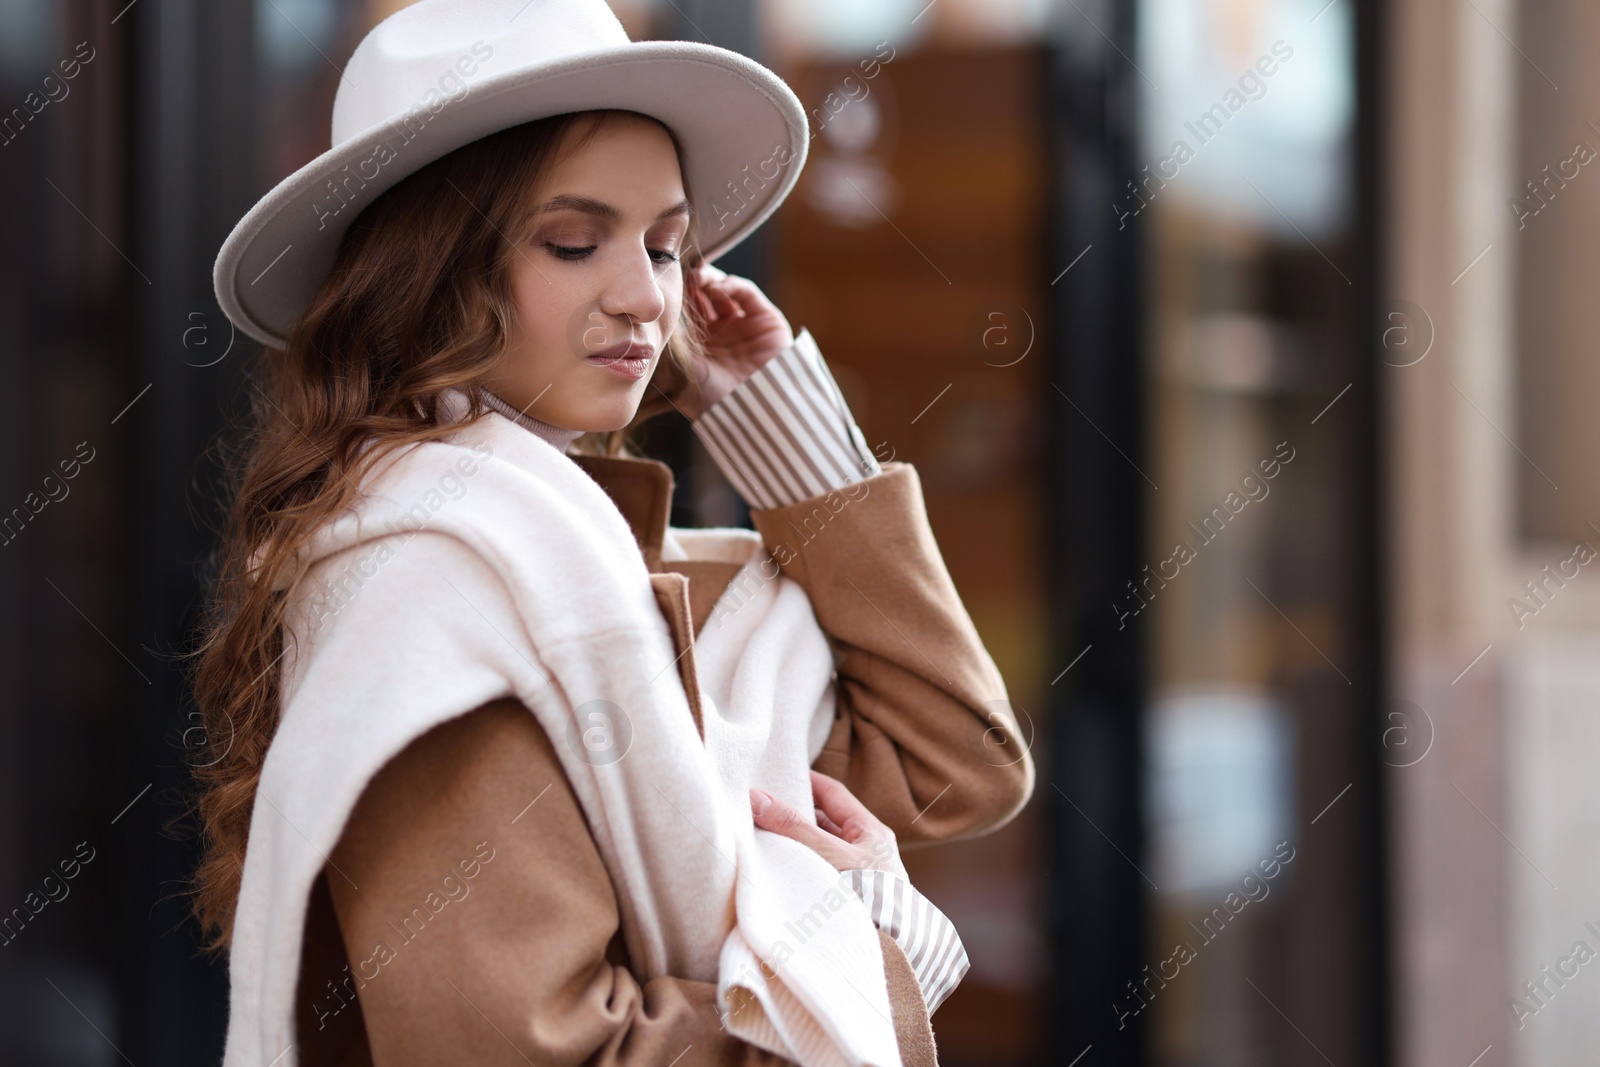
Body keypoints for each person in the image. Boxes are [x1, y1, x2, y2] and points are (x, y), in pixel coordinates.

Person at [190, 2, 1034, 1065]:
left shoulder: (586, 560)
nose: (646, 295)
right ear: (426, 272)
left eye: (667, 245)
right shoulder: (438, 584)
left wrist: (776, 419)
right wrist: (864, 960)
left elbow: (955, 758)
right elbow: (533, 1049)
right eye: (574, 241)